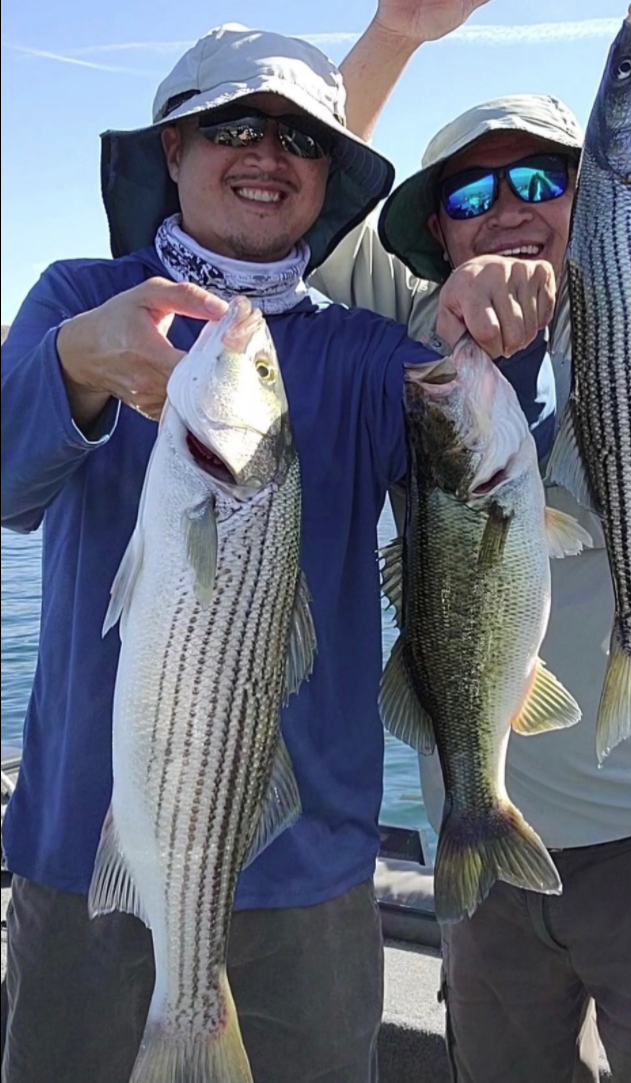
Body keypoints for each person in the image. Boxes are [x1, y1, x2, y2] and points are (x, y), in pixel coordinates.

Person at [311, 1, 631, 1080]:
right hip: (485, 849)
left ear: (589, 198)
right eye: (471, 194)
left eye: (542, 182)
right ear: (437, 234)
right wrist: (397, 34)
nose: (507, 210)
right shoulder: (411, 337)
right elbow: (306, 222)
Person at [0, 23, 446, 1083]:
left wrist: (487, 347)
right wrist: (74, 365)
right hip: (81, 850)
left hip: (310, 874)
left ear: (328, 177)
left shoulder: (364, 355)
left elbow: (493, 482)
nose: (266, 154)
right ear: (169, 150)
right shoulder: (77, 299)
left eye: (300, 140)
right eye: (233, 126)